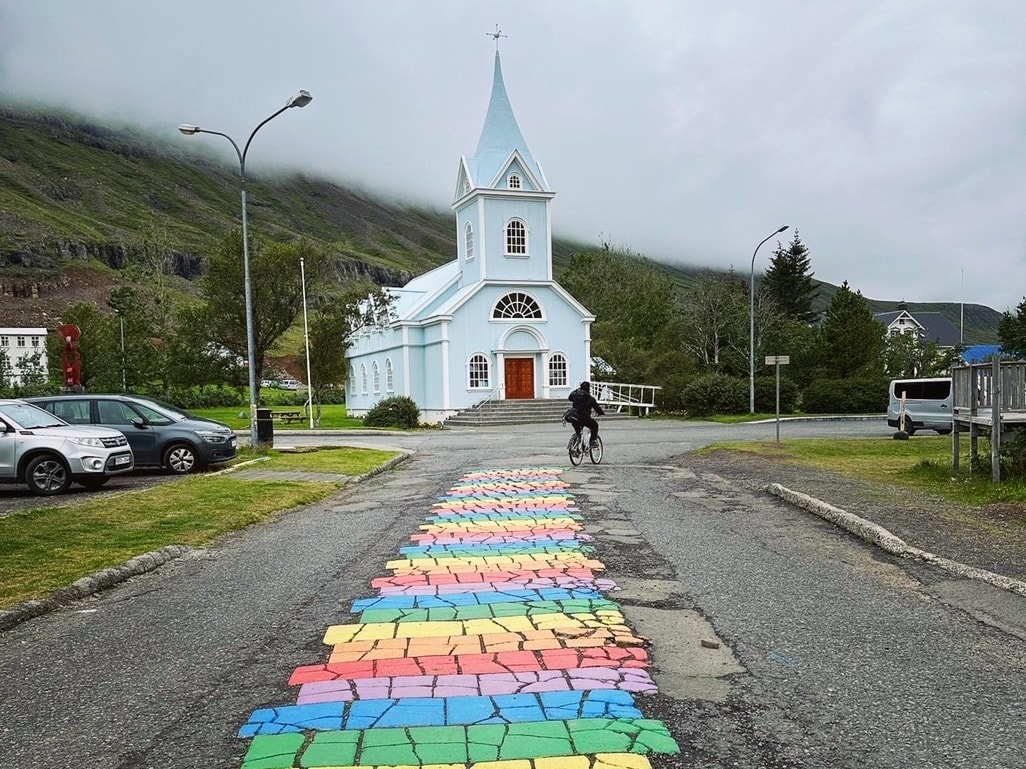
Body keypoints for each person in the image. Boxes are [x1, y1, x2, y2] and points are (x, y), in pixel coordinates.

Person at [567, 380, 605, 448]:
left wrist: (576, 390)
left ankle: (577, 439)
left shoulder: (575, 396)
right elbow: (597, 408)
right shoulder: (590, 398)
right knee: (595, 426)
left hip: (574, 416)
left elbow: (569, 397)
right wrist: (601, 413)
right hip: (584, 418)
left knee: (578, 429)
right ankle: (593, 441)